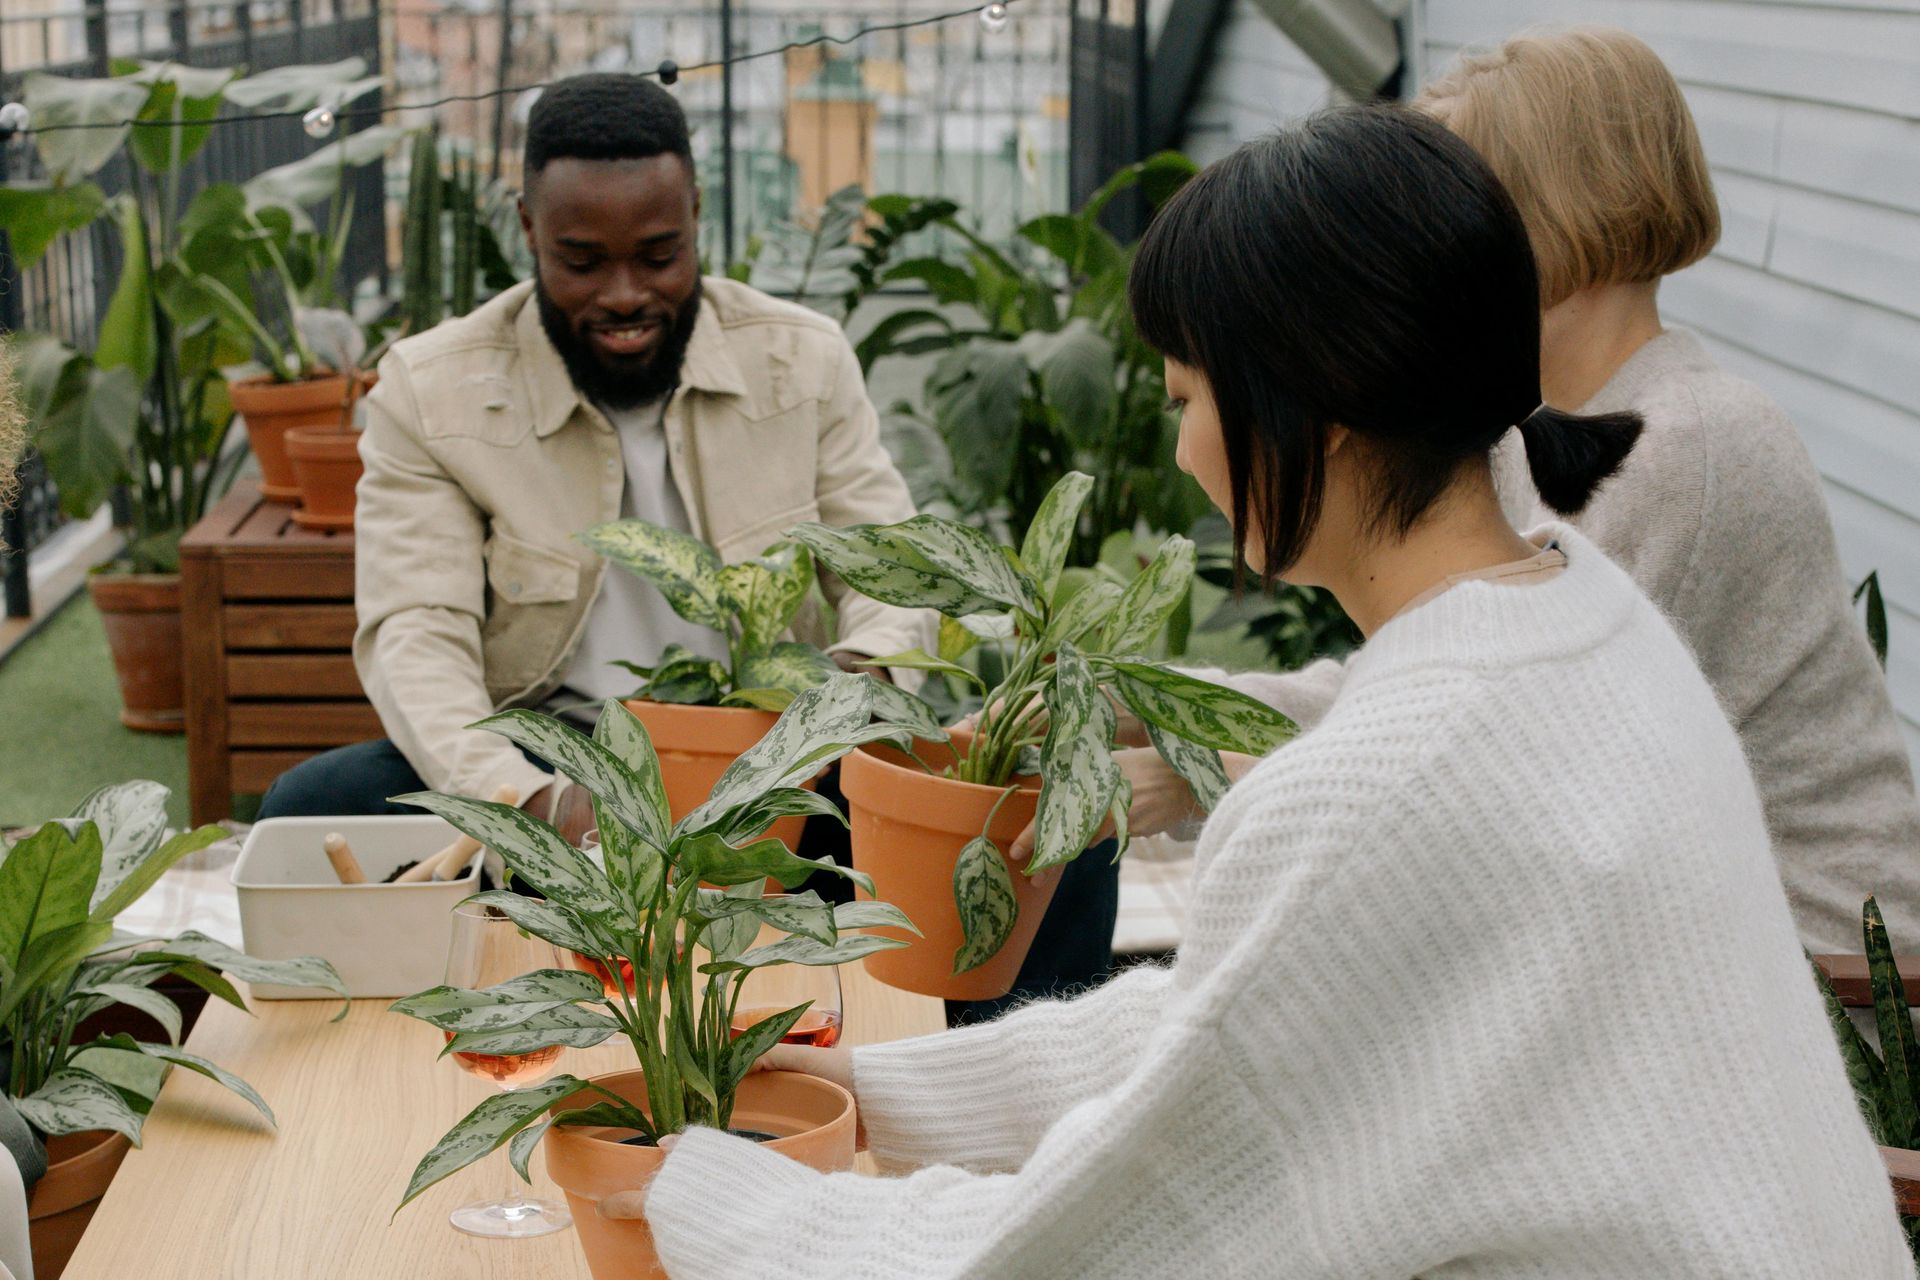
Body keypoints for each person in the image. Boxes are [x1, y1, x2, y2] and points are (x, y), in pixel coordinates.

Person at [621, 108, 1910, 1277]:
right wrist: (871, 1085)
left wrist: (702, 1189)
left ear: (1320, 409)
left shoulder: (1389, 781)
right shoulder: (1586, 617)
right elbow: (1231, 1034)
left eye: (1186, 396)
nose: (1180, 449)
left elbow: (1081, 1248)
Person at [1080, 25, 1920, 956]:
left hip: (1813, 986)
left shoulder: (1691, 443)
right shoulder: (1546, 433)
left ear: (1537, 214)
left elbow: (1509, 772)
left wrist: (1207, 769)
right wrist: (1155, 700)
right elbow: (1403, 693)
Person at [259, 74, 930, 840]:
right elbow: (417, 634)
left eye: (658, 256)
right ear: (529, 231)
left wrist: (854, 691)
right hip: (554, 755)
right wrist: (530, 804)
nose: (623, 294)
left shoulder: (802, 361)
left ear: (695, 218)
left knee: (1037, 821)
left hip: (775, 751)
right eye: (582, 262)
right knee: (311, 809)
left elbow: (892, 573)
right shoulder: (431, 393)